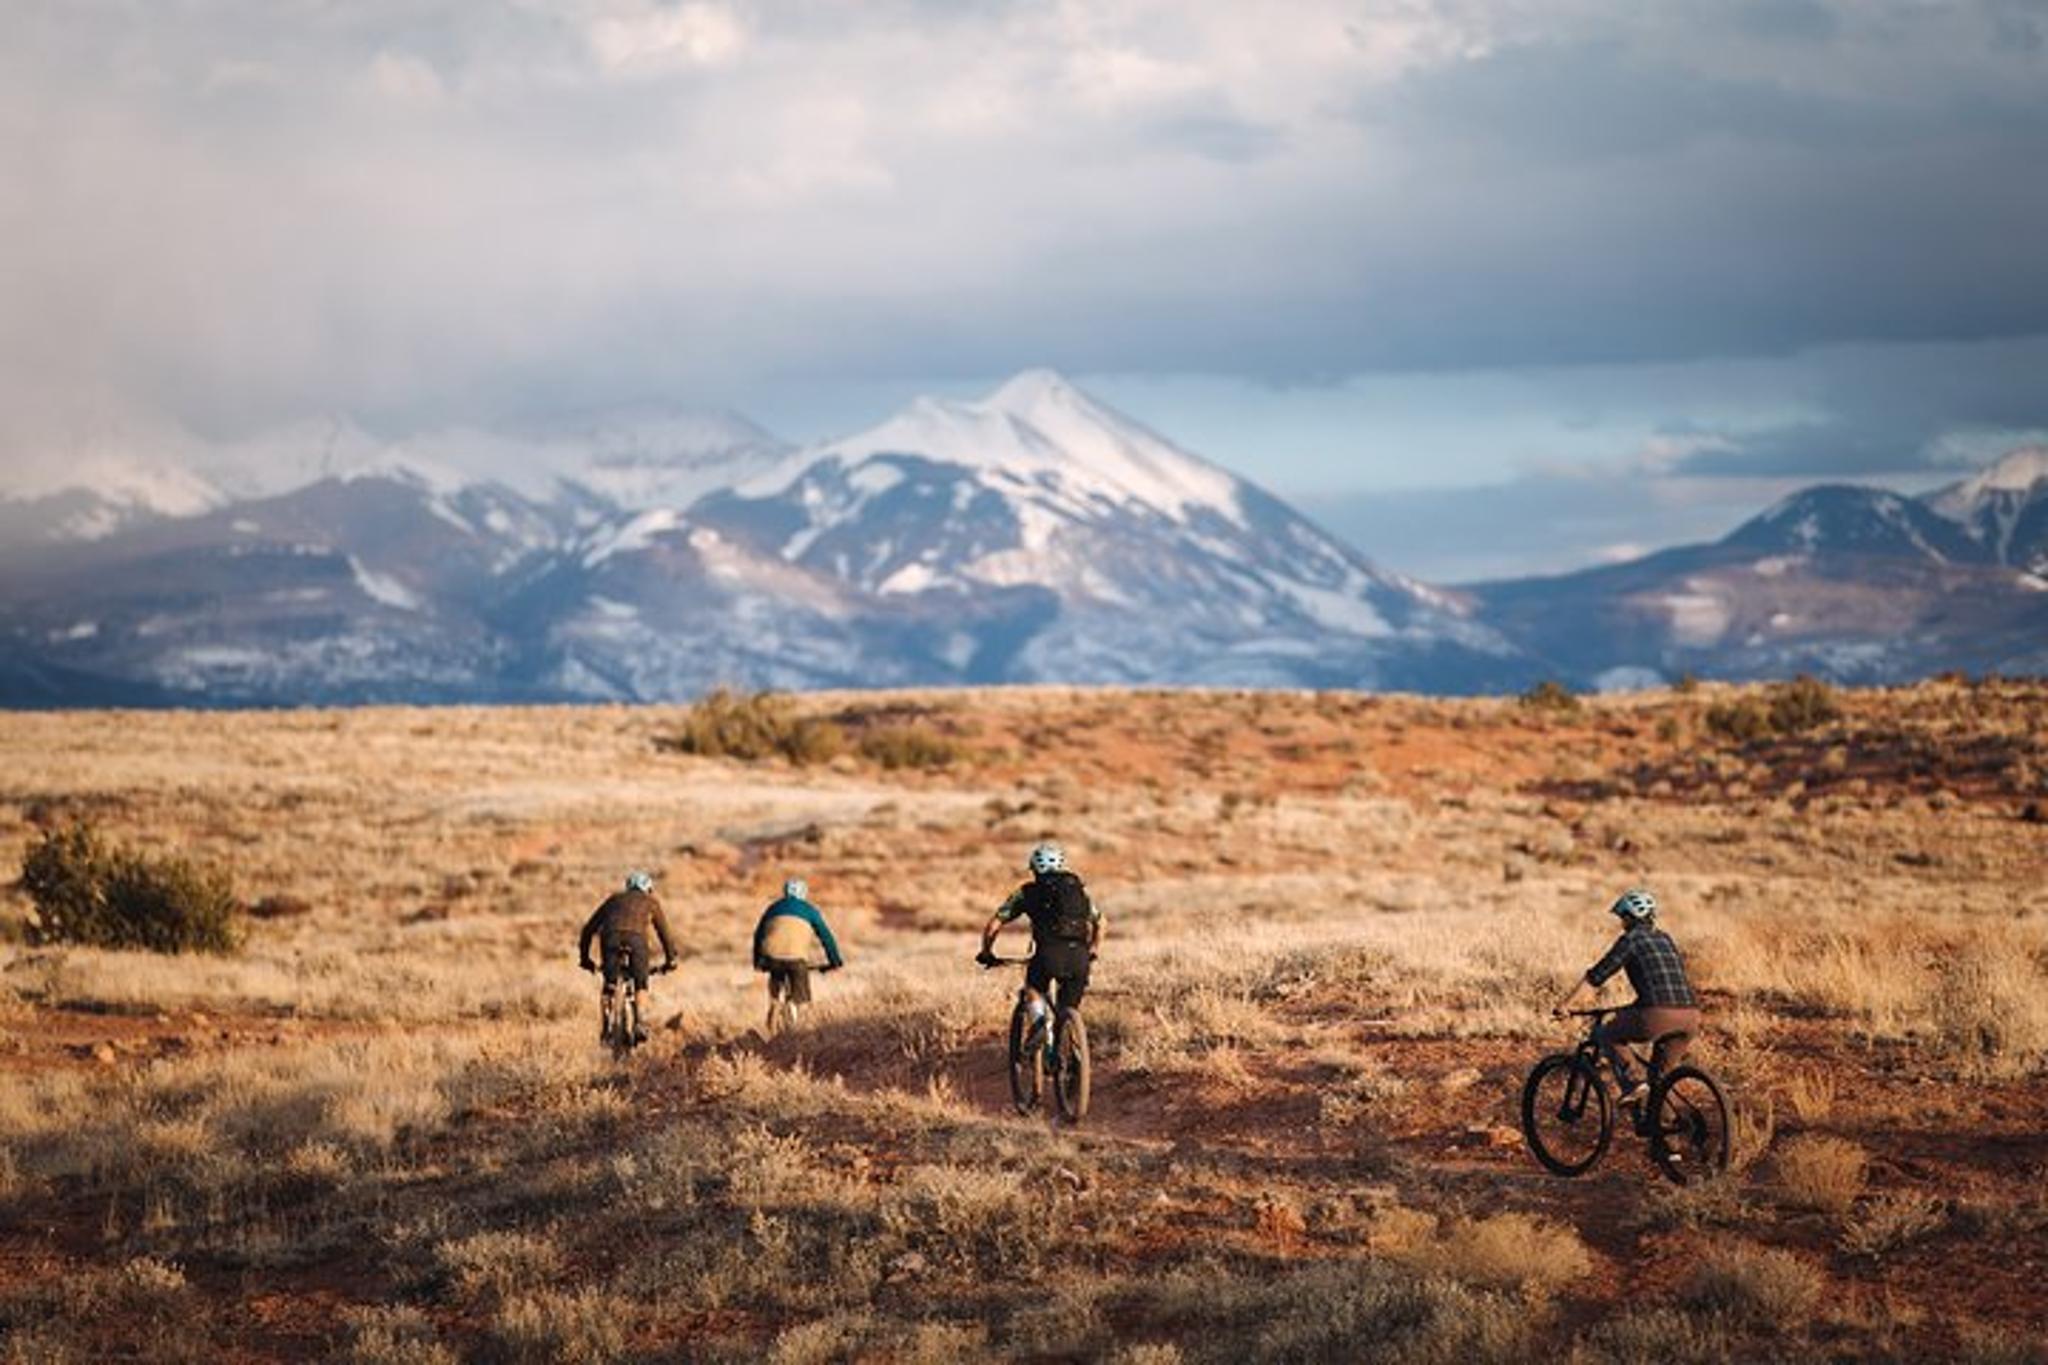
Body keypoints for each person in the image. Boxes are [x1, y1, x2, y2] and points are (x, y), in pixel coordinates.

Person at [1553, 888, 1700, 1107]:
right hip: (1691, 1016)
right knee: (1661, 1081)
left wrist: (1566, 1005)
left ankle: (1632, 1083)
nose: (1622, 922)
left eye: (1623, 917)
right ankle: (1663, 1132)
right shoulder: (1665, 938)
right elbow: (1662, 982)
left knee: (1606, 1033)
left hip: (1657, 1015)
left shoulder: (1630, 940)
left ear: (1629, 918)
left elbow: (1596, 977)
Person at [976, 841, 1102, 1016]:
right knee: (1068, 1009)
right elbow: (1101, 922)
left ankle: (1038, 1028)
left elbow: (993, 925)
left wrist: (986, 952)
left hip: (1047, 956)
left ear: (1033, 869)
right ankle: (1070, 1031)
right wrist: (1094, 949)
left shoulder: (1026, 892)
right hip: (1079, 958)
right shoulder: (1076, 890)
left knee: (1033, 991)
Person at [579, 870, 678, 1042]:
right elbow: (664, 934)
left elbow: (588, 929)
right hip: (636, 940)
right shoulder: (651, 902)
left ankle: (606, 1027)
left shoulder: (613, 900)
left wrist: (585, 959)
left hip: (610, 939)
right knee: (641, 983)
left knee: (609, 984)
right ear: (648, 889)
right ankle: (640, 1022)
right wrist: (671, 960)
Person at [752, 876, 844, 1027]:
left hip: (772, 958)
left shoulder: (773, 908)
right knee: (801, 998)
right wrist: (835, 961)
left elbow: (758, 935)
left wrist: (758, 962)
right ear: (804, 893)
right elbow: (826, 937)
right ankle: (795, 1014)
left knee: (776, 985)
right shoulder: (809, 910)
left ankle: (774, 1007)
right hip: (796, 960)